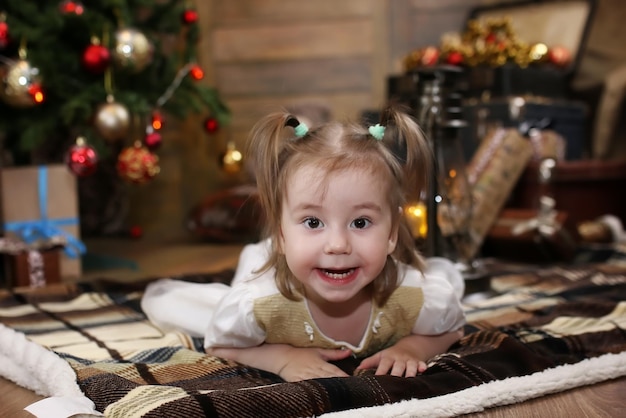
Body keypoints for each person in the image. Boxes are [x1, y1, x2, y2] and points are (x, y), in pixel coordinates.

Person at [141, 105, 465, 382]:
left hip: (302, 254)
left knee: (443, 276)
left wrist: (411, 348)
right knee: (238, 280)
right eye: (314, 222)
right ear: (282, 233)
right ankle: (261, 252)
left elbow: (452, 328)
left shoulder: (411, 295)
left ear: (393, 232)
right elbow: (219, 342)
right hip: (275, 273)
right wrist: (282, 358)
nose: (338, 245)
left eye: (360, 222)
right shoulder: (260, 303)